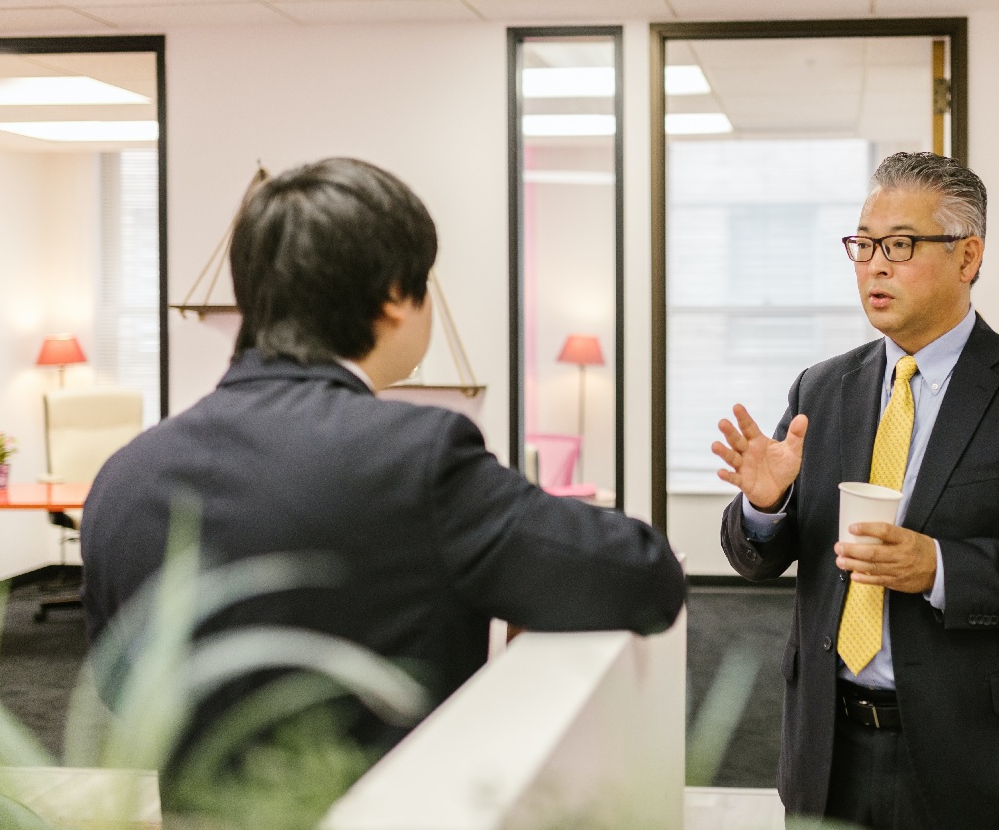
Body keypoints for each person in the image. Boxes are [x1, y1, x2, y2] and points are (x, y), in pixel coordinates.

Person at [81, 157, 685, 801]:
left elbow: (121, 693)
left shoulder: (123, 477)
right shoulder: (418, 455)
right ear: (397, 295)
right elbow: (641, 577)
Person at [713, 152, 999, 830]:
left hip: (974, 755)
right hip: (826, 750)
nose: (874, 264)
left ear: (968, 257)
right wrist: (766, 507)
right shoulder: (822, 389)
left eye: (901, 245)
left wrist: (940, 567)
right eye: (863, 244)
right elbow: (760, 557)